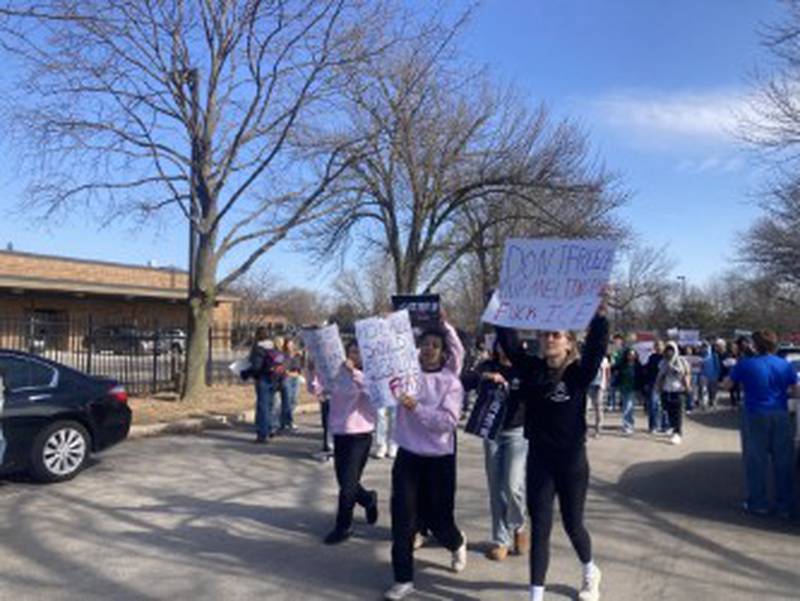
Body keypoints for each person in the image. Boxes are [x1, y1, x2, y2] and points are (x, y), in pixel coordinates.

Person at [497, 302, 608, 601]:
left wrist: (599, 318)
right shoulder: (532, 369)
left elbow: (597, 349)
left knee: (573, 525)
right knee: (541, 527)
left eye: (556, 335)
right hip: (540, 461)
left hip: (571, 462)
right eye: (545, 335)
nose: (549, 339)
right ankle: (536, 595)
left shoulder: (578, 373)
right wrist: (498, 305)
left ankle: (589, 571)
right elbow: (508, 343)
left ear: (569, 341)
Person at [384, 318, 467, 601]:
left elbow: (447, 422)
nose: (429, 349)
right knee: (403, 517)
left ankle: (456, 542)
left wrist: (416, 407)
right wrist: (387, 329)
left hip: (439, 459)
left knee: (439, 521)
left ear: (444, 352)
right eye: (425, 344)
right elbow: (384, 366)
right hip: (408, 456)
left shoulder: (450, 382)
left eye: (435, 345)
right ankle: (403, 578)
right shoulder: (407, 377)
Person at [465, 343, 529, 561]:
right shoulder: (487, 365)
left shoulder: (524, 366)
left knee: (513, 485)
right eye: (500, 343)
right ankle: (501, 539)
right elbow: (465, 381)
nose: (504, 347)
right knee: (495, 487)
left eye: (508, 341)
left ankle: (519, 525)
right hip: (491, 431)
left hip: (517, 432)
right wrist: (486, 377)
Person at [724, 330, 797, 518]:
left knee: (756, 460)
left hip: (755, 414)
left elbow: (727, 385)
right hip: (780, 413)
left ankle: (758, 503)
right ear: (775, 345)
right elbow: (796, 390)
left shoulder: (745, 364)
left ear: (754, 346)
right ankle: (785, 505)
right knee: (783, 461)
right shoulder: (784, 365)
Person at [323, 340, 379, 544]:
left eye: (359, 352)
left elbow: (373, 391)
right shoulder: (339, 374)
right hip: (340, 433)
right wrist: (311, 369)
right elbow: (319, 389)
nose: (355, 356)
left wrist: (354, 372)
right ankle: (368, 498)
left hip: (360, 435)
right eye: (352, 351)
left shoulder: (368, 376)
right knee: (346, 482)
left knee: (347, 486)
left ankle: (343, 527)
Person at [249, 327, 285, 444]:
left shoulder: (258, 348)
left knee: (262, 406)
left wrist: (249, 372)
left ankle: (262, 434)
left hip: (263, 378)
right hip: (274, 378)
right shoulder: (273, 347)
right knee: (270, 405)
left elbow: (256, 367)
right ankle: (270, 428)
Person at [654, 342, 691, 445]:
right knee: (669, 412)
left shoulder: (681, 361)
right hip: (666, 390)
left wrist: (688, 387)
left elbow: (685, 373)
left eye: (671, 350)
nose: (669, 352)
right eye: (668, 350)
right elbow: (660, 376)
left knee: (678, 413)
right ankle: (673, 428)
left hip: (678, 391)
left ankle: (678, 433)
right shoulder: (663, 362)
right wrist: (657, 387)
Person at [279, 339, 303, 433]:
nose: (290, 346)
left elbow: (300, 367)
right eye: (288, 345)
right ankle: (287, 422)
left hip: (296, 378)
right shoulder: (283, 355)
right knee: (287, 400)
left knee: (294, 400)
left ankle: (285, 419)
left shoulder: (297, 355)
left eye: (291, 344)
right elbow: (283, 367)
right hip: (287, 378)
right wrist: (287, 372)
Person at [618, 348, 642, 435]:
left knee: (629, 407)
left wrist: (640, 389)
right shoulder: (623, 365)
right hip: (624, 388)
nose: (631, 356)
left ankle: (628, 425)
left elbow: (640, 377)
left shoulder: (637, 365)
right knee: (626, 406)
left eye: (633, 354)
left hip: (633, 388)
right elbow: (618, 374)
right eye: (629, 354)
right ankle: (627, 425)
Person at [642, 341, 665, 434]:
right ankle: (653, 426)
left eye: (660, 346)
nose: (658, 347)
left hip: (665, 385)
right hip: (653, 384)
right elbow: (648, 371)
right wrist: (646, 383)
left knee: (664, 407)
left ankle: (665, 426)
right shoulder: (652, 357)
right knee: (653, 406)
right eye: (657, 346)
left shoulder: (666, 358)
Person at [587, 354, 609, 436]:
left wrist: (606, 384)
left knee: (598, 407)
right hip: (589, 385)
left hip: (599, 385)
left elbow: (607, 372)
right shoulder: (588, 358)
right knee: (586, 407)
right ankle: (584, 428)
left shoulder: (604, 360)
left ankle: (598, 429)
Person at [700, 341, 722, 410]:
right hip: (703, 376)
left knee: (713, 391)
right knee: (704, 391)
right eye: (703, 347)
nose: (704, 348)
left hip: (713, 376)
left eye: (706, 346)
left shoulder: (714, 355)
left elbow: (717, 366)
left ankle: (713, 403)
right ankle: (705, 404)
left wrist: (717, 375)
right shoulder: (700, 356)